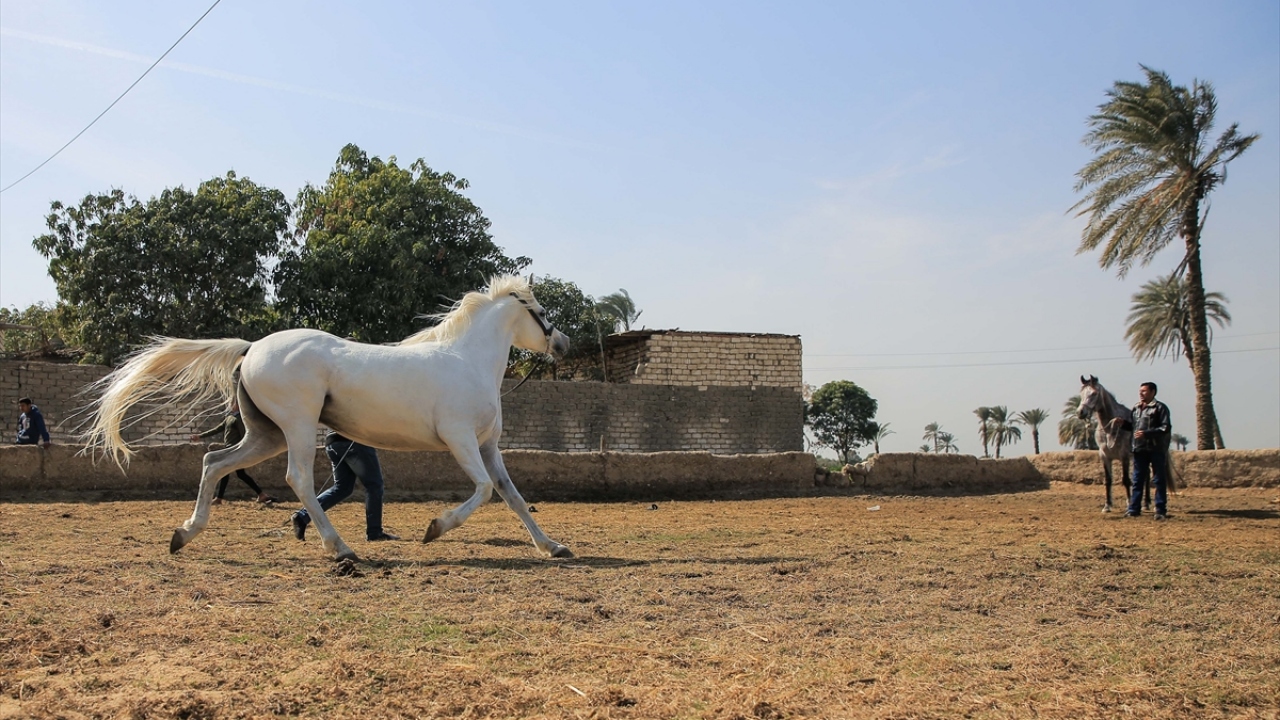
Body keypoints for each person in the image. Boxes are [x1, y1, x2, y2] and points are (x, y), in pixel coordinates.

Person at [291, 431, 398, 542]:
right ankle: (374, 532)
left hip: (332, 443)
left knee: (342, 488)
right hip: (355, 441)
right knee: (374, 485)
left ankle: (303, 516)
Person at [189, 400, 277, 505]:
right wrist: (200, 436)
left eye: (232, 404)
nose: (230, 406)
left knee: (232, 473)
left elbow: (244, 435)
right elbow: (217, 429)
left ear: (239, 405)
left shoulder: (239, 419)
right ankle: (261, 494)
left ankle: (220, 498)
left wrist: (243, 448)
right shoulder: (229, 418)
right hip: (229, 448)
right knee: (239, 474)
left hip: (235, 449)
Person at [1126, 381, 1172, 520]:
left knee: (1158, 480)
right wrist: (1122, 424)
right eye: (1140, 391)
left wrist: (1147, 433)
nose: (1141, 393)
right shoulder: (1136, 408)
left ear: (1153, 392)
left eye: (1144, 391)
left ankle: (1160, 510)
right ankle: (1133, 509)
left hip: (1156, 449)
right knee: (1137, 480)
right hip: (1139, 449)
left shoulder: (1160, 408)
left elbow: (1165, 428)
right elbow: (1133, 427)